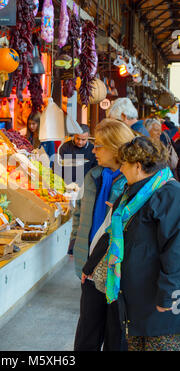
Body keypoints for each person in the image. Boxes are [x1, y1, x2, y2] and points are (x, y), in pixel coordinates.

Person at [83, 137, 180, 351]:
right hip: (134, 302)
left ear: (137, 166)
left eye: (124, 164)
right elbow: (111, 234)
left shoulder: (170, 195)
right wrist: (90, 266)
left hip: (159, 305)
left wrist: (168, 295)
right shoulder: (131, 194)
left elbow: (175, 251)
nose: (121, 169)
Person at [73, 118, 136, 351]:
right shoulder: (94, 175)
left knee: (115, 336)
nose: (94, 149)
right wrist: (75, 246)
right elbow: (80, 213)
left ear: (116, 147)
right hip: (90, 265)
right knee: (86, 335)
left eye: (99, 145)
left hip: (116, 270)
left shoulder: (133, 182)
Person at [58, 125, 98, 255]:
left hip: (85, 187)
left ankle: (80, 245)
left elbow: (95, 170)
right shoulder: (65, 148)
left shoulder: (93, 150)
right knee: (70, 217)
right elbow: (60, 168)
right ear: (73, 136)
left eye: (83, 139)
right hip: (67, 187)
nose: (80, 142)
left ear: (88, 138)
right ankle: (69, 246)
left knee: (81, 218)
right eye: (77, 139)